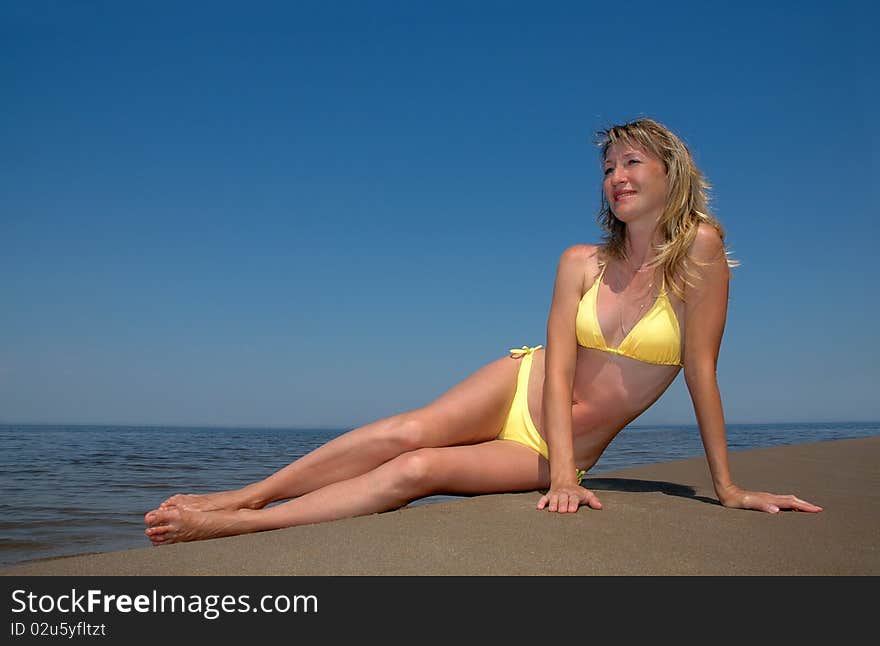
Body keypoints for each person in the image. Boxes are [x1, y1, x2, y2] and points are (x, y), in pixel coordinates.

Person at [144, 117, 822, 545]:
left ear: (670, 172)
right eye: (608, 168)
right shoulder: (579, 262)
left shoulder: (701, 250)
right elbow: (556, 370)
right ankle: (245, 493)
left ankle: (238, 525)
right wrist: (558, 471)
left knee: (418, 468)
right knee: (400, 432)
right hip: (522, 386)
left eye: (632, 162)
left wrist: (728, 488)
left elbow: (702, 373)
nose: (617, 177)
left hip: (569, 442)